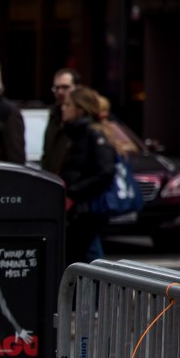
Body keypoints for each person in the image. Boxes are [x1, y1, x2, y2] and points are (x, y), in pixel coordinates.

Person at [58, 86, 118, 266]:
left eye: (68, 104)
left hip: (86, 211)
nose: (63, 108)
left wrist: (74, 192)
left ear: (81, 109)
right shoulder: (75, 133)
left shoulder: (93, 134)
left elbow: (106, 171)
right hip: (76, 210)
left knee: (85, 260)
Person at [41, 68, 79, 174]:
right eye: (56, 88)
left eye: (65, 87)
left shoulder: (82, 122)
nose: (60, 92)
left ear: (77, 88)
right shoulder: (54, 116)